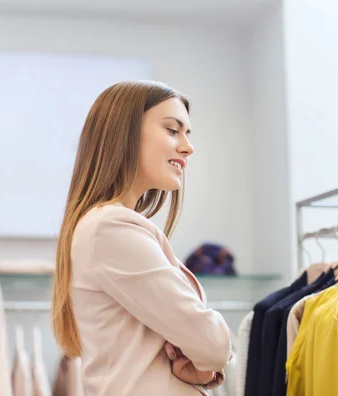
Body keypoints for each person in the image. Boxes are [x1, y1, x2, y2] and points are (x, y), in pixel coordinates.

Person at [51, 80, 232, 396]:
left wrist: (200, 365)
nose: (188, 147)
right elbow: (214, 344)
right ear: (125, 133)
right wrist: (205, 353)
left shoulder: (109, 227)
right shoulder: (110, 229)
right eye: (173, 130)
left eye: (187, 133)